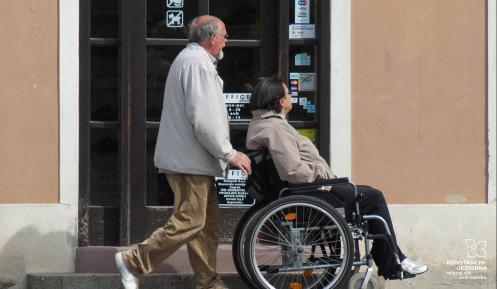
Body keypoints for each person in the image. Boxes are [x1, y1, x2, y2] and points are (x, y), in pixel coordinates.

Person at [114, 15, 252, 289]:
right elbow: (204, 119)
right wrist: (229, 153)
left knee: (204, 227)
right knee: (190, 221)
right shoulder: (197, 64)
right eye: (225, 35)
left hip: (192, 160)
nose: (227, 40)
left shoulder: (193, 61)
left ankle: (208, 282)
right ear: (212, 38)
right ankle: (133, 261)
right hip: (189, 161)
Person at [245, 75, 427, 279]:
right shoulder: (275, 129)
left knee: (365, 193)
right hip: (308, 191)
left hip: (304, 191)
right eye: (288, 94)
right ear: (280, 101)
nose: (291, 97)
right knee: (373, 197)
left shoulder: (265, 125)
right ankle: (393, 259)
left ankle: (390, 256)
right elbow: (292, 171)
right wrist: (323, 177)